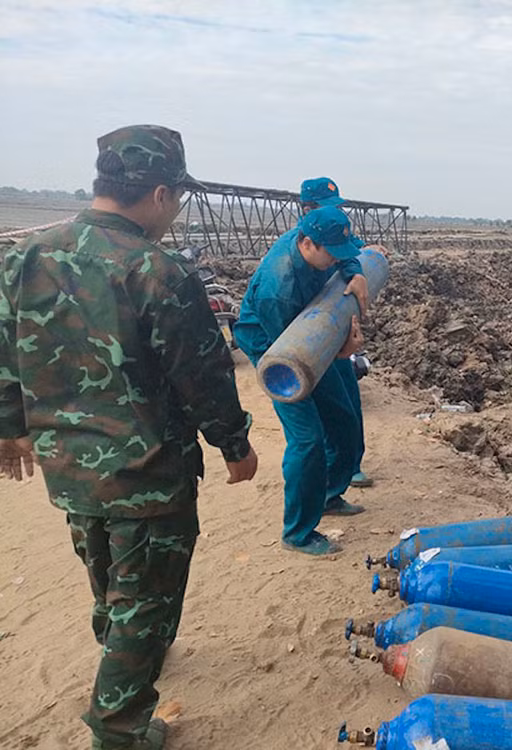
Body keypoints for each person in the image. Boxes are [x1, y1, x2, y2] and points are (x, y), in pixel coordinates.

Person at [0, 125, 258, 750]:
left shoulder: (27, 255)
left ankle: (123, 645)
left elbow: (5, 349)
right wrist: (234, 443)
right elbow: (201, 373)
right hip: (147, 470)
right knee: (145, 595)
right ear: (163, 193)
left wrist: (9, 430)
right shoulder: (157, 270)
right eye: (178, 202)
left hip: (69, 464)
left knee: (106, 569)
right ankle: (118, 729)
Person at [233, 204, 370, 556]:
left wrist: (356, 271)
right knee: (307, 439)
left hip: (308, 326)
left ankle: (328, 494)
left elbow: (345, 260)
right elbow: (298, 355)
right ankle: (297, 532)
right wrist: (342, 351)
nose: (336, 259)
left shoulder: (317, 247)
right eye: (332, 254)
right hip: (276, 349)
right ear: (306, 243)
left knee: (343, 417)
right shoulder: (277, 287)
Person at [299, 177, 376, 489]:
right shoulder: (304, 243)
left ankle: (350, 465)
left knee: (349, 400)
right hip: (314, 337)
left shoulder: (332, 235)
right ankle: (332, 480)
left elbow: (351, 251)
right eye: (326, 208)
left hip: (337, 330)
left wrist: (367, 254)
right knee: (325, 414)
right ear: (307, 209)